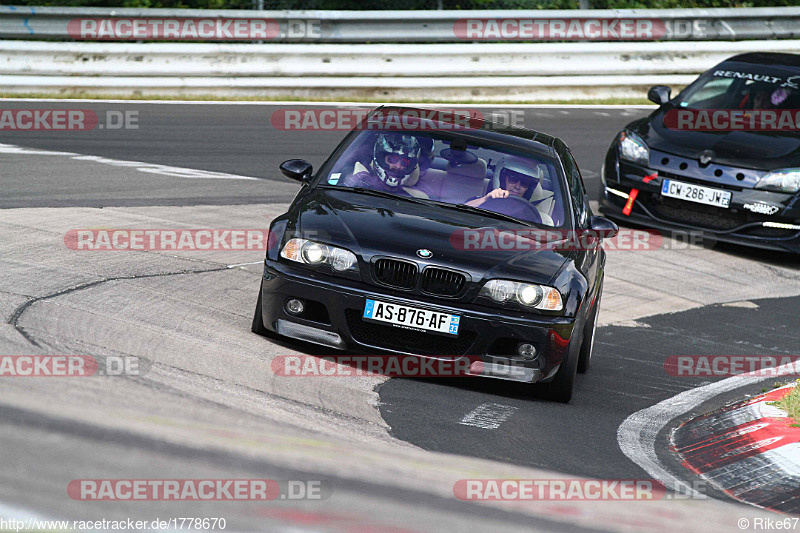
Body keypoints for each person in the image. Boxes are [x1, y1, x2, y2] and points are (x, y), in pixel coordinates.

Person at [341, 133, 434, 199]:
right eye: (392, 159)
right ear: (380, 158)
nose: (397, 166)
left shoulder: (422, 193)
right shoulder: (359, 181)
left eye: (404, 163)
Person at [466, 156, 538, 208]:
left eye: (524, 183)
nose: (517, 186)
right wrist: (486, 199)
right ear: (502, 180)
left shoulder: (529, 213)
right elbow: (461, 211)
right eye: (513, 180)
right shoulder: (482, 200)